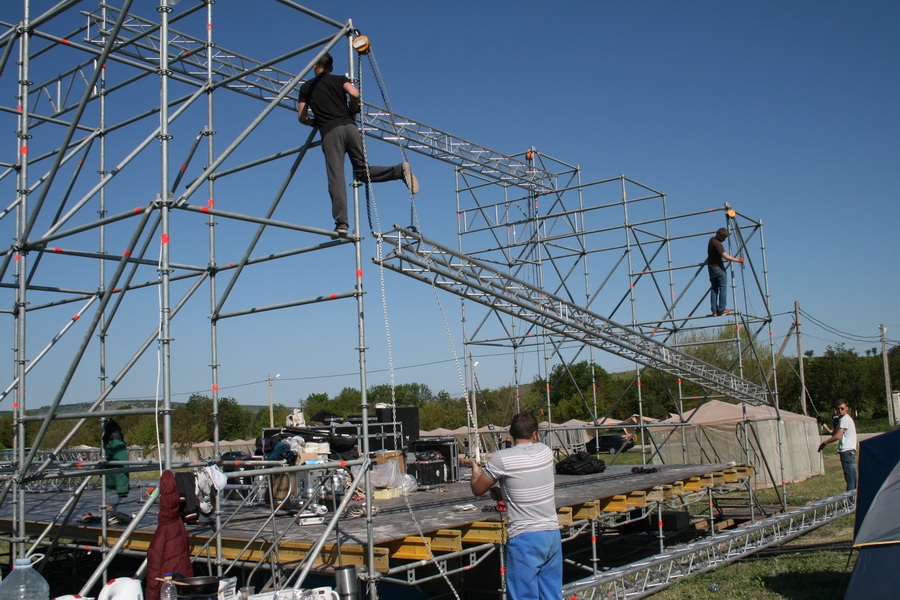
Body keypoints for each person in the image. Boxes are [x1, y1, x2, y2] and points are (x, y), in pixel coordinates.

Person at [297, 52, 418, 236]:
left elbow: (302, 117)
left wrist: (315, 122)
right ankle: (399, 170)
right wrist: (353, 108)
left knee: (336, 178)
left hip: (331, 132)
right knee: (362, 171)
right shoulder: (339, 79)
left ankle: (342, 224)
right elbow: (355, 93)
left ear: (315, 66)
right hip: (350, 128)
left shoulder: (306, 87)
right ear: (331, 68)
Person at [470, 413, 561, 600]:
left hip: (525, 537)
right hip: (551, 534)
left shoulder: (502, 459)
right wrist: (504, 493)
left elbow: (478, 489)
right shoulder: (545, 451)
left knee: (523, 596)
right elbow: (527, 480)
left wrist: (475, 473)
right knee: (551, 595)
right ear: (535, 434)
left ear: (511, 434)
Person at [817, 400, 858, 491]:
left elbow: (837, 436)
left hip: (846, 451)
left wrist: (824, 443)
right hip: (849, 452)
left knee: (850, 480)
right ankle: (853, 500)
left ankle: (851, 502)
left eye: (842, 408)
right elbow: (833, 433)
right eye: (838, 409)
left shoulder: (844, 419)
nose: (840, 410)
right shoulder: (844, 419)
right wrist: (823, 424)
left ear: (847, 408)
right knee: (851, 478)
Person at [706, 227, 744, 316]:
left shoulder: (711, 239)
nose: (724, 239)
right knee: (722, 288)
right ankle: (721, 310)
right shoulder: (718, 244)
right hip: (718, 268)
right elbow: (725, 256)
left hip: (711, 267)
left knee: (714, 288)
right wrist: (738, 260)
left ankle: (714, 310)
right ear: (718, 235)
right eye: (723, 237)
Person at [102, 418, 129, 504]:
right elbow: (122, 465)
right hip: (116, 486)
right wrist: (122, 490)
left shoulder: (109, 444)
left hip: (109, 483)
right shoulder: (118, 444)